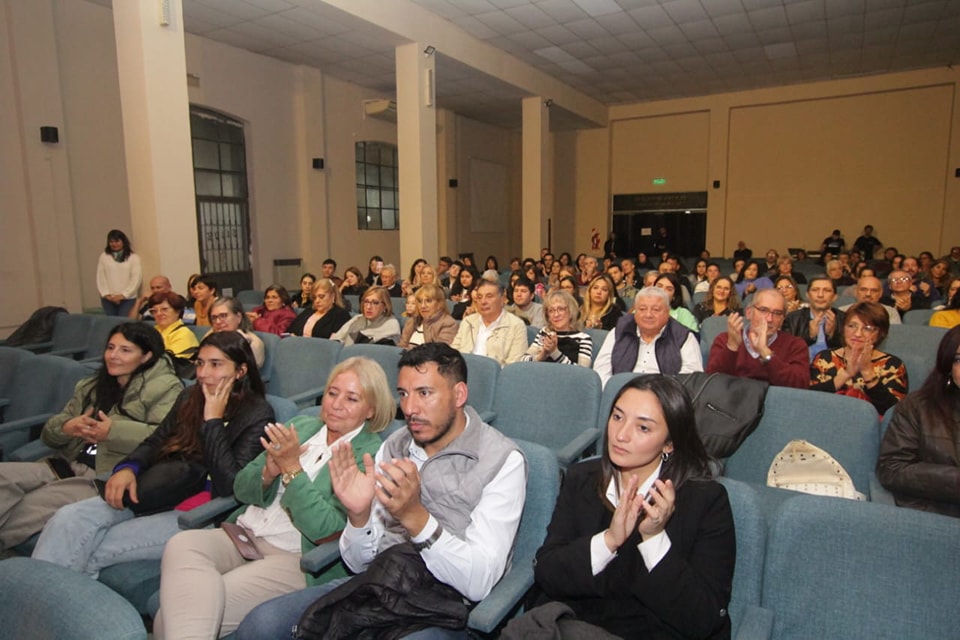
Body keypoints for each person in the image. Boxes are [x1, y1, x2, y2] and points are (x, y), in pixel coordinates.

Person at [235, 343, 527, 639]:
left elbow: (479, 584)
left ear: (459, 395)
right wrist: (359, 516)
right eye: (404, 394)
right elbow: (358, 563)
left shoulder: (501, 460)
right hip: (378, 586)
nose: (410, 408)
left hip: (441, 608)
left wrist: (416, 519)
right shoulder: (395, 445)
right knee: (262, 625)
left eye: (424, 393)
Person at [148, 357, 391, 639]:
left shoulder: (369, 455)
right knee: (183, 544)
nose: (336, 404)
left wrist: (292, 471)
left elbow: (327, 530)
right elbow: (241, 487)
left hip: (294, 556)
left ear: (371, 410)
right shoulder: (301, 426)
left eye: (351, 399)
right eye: (332, 393)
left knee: (169, 620)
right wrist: (267, 473)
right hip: (244, 534)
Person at [32, 332, 272, 580]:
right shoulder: (190, 396)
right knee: (68, 518)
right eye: (200, 363)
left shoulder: (257, 414)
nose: (202, 373)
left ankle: (55, 596)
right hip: (160, 489)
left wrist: (213, 420)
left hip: (202, 511)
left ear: (240, 371)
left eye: (215, 364)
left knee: (97, 546)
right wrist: (129, 467)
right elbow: (156, 440)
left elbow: (231, 485)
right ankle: (33, 594)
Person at [525, 374, 735, 639]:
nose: (621, 435)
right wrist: (608, 541)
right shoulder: (582, 478)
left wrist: (654, 539)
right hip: (575, 628)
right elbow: (547, 572)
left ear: (669, 444)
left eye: (643, 428)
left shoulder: (705, 501)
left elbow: (704, 619)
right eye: (617, 417)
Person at [0, 323, 181, 551]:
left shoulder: (166, 389)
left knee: (30, 506)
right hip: (65, 464)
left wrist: (112, 432)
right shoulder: (92, 385)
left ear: (146, 356)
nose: (113, 356)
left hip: (104, 475)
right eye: (110, 347)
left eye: (125, 350)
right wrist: (67, 427)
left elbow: (165, 438)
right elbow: (50, 434)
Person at [876, 326, 960, 518]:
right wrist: (954, 480)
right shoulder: (918, 407)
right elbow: (891, 469)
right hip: (934, 515)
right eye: (959, 360)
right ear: (948, 366)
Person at [809, 302, 908, 415]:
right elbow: (810, 402)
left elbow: (893, 413)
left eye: (867, 328)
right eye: (852, 326)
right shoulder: (825, 358)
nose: (857, 334)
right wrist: (845, 374)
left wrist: (867, 373)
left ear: (880, 333)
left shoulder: (892, 365)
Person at [593, 287, 702, 388]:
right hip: (621, 392)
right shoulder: (619, 331)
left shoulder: (683, 336)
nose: (648, 315)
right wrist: (613, 391)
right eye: (642, 309)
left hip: (664, 396)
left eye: (656, 310)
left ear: (667, 312)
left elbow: (691, 377)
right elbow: (601, 368)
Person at [706, 289, 809, 388]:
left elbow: (800, 386)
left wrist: (765, 353)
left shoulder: (795, 345)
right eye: (763, 310)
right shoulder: (726, 339)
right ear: (749, 313)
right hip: (732, 399)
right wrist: (732, 348)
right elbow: (711, 383)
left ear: (782, 319)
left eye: (777, 313)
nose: (769, 319)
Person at [451, 279, 527, 366]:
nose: (483, 302)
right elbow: (453, 354)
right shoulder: (468, 322)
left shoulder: (516, 325)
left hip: (496, 373)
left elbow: (513, 366)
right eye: (479, 297)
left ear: (502, 299)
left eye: (489, 296)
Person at [522, 290, 593, 367]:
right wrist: (542, 356)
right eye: (551, 311)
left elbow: (583, 371)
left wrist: (555, 353)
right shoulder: (544, 332)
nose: (556, 314)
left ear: (571, 312)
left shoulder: (583, 338)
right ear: (548, 316)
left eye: (561, 309)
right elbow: (523, 361)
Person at [783, 276, 846, 361]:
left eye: (826, 290)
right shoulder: (792, 318)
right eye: (815, 290)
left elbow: (848, 352)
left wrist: (832, 334)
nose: (820, 295)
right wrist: (809, 336)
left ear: (834, 297)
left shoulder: (845, 319)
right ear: (807, 295)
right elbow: (786, 351)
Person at [330, 286, 401, 346]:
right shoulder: (357, 319)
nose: (368, 307)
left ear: (385, 306)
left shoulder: (391, 324)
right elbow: (337, 339)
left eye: (375, 303)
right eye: (366, 302)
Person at [209, 297, 266, 368]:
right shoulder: (212, 335)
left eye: (223, 316)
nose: (218, 322)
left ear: (238, 317)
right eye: (214, 318)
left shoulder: (252, 344)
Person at [97, 229, 142, 317]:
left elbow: (136, 278)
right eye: (111, 242)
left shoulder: (133, 258)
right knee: (111, 322)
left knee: (123, 321)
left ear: (123, 241)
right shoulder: (104, 256)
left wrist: (123, 295)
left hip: (127, 299)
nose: (114, 244)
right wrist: (106, 294)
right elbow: (100, 277)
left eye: (117, 241)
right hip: (108, 299)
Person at [286, 279, 351, 339]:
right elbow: (290, 330)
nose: (317, 301)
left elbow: (335, 342)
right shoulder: (309, 311)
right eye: (315, 297)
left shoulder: (341, 315)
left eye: (321, 297)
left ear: (333, 296)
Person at [399, 283, 459, 349]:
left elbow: (440, 352)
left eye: (428, 301)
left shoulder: (448, 324)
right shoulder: (412, 321)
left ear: (440, 303)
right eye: (420, 301)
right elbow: (401, 348)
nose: (423, 306)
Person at [149, 291, 201, 360]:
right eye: (154, 311)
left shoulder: (183, 334)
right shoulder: (152, 331)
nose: (159, 314)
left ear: (177, 311)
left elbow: (169, 362)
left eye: (164, 309)